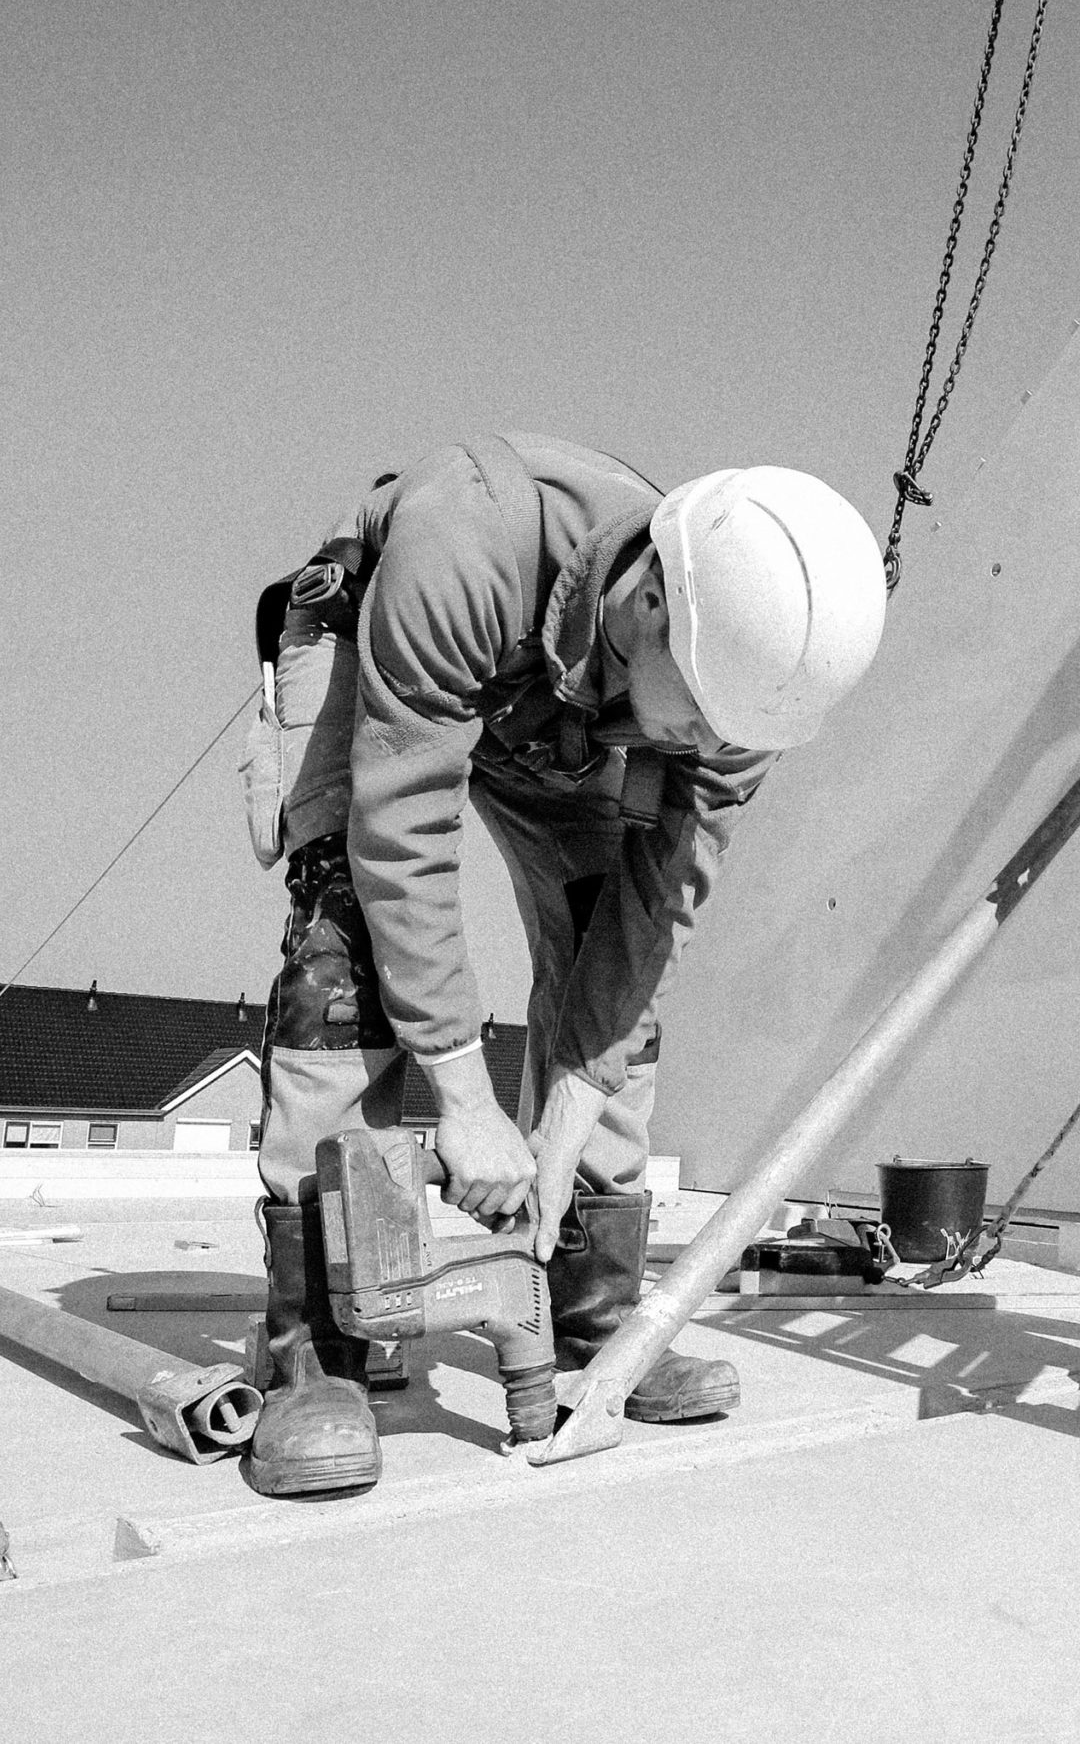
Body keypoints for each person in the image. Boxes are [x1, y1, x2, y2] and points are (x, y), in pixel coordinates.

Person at [240, 438, 887, 1497]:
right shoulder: (470, 540)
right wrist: (461, 1089)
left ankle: (590, 1320)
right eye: (697, 716)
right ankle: (316, 1346)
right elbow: (402, 826)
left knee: (610, 976)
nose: (705, 742)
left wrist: (561, 1125)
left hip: (574, 709)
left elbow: (653, 913)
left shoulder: (736, 698)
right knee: (342, 950)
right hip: (389, 651)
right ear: (646, 605)